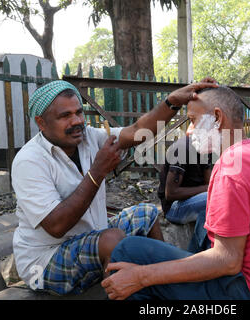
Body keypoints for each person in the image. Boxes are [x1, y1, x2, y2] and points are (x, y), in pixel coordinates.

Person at [11, 79, 218, 295]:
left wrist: (171, 102)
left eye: (79, 112)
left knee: (145, 213)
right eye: (65, 116)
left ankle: (164, 280)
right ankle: (121, 292)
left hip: (91, 236)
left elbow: (137, 131)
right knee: (112, 240)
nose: (76, 121)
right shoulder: (29, 161)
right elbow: (56, 226)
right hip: (46, 260)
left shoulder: (88, 137)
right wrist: (98, 172)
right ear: (41, 123)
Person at [101, 86, 250, 300]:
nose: (189, 131)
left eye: (192, 120)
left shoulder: (231, 167)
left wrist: (142, 276)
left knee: (128, 251)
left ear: (217, 118)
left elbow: (227, 260)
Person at [157, 125, 213, 253]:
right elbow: (170, 194)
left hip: (191, 202)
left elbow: (209, 182)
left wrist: (209, 187)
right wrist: (206, 188)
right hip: (174, 208)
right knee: (215, 197)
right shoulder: (182, 149)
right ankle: (197, 252)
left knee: (215, 200)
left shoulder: (205, 149)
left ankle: (205, 252)